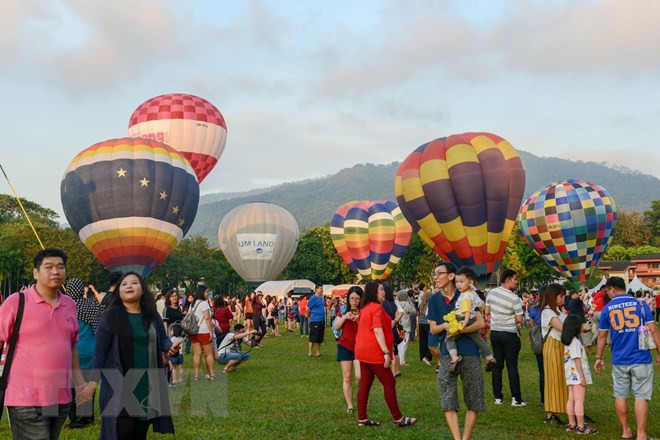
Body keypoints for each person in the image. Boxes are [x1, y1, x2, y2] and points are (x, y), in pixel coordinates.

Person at [0, 248, 87, 439]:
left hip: (61, 397)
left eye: (60, 267)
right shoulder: (16, 302)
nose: (55, 271)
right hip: (24, 397)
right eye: (49, 267)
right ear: (35, 272)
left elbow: (71, 346)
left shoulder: (70, 305)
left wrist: (80, 383)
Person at [81, 271, 178, 439]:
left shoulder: (152, 315)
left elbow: (162, 339)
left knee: (140, 432)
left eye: (134, 283)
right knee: (121, 432)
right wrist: (92, 382)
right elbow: (100, 352)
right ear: (118, 292)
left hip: (147, 384)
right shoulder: (110, 316)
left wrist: (170, 347)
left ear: (142, 290)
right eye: (124, 284)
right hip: (119, 386)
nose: (129, 286)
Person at [595, 276, 660, 440]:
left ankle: (626, 430)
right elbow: (653, 330)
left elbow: (602, 336)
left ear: (611, 289)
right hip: (641, 357)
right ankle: (641, 434)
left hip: (619, 358)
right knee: (641, 396)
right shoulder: (641, 304)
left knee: (620, 395)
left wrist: (599, 357)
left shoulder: (608, 308)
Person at [428, 262, 485, 440]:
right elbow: (432, 329)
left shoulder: (467, 293)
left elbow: (481, 323)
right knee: (448, 396)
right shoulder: (434, 299)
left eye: (439, 273)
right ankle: (456, 438)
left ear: (451, 276)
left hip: (470, 351)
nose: (435, 277)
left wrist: (460, 330)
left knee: (474, 397)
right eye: (434, 274)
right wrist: (445, 325)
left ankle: (465, 438)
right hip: (448, 354)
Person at [354, 281, 416, 427]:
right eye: (381, 289)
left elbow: (381, 325)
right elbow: (377, 330)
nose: (384, 292)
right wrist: (386, 352)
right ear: (373, 292)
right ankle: (398, 418)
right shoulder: (375, 308)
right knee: (389, 382)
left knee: (365, 384)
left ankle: (362, 418)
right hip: (374, 352)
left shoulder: (365, 308)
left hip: (363, 351)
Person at [63, 278, 103, 430]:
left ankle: (76, 418)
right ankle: (87, 416)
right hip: (89, 349)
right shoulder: (91, 305)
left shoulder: (65, 307)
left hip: (71, 350)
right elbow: (98, 329)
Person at [485, 268, 526, 407]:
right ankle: (516, 398)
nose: (516, 282)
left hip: (495, 332)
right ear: (508, 279)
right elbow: (520, 319)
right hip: (509, 334)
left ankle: (498, 397)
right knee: (512, 366)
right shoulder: (515, 298)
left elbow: (487, 311)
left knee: (498, 366)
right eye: (515, 279)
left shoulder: (491, 293)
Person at [446, 267, 496, 374]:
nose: (458, 284)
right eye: (457, 282)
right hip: (473, 319)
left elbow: (466, 311)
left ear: (470, 282)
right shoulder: (474, 293)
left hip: (462, 318)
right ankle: (489, 356)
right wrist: (483, 314)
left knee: (449, 338)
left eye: (461, 282)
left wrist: (463, 324)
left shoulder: (465, 296)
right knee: (478, 339)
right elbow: (481, 305)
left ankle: (454, 358)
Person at [561, 315, 597, 434]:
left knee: (571, 399)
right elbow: (577, 360)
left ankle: (572, 424)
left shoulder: (568, 341)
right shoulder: (575, 342)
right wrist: (582, 376)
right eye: (581, 324)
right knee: (579, 400)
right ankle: (581, 426)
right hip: (577, 375)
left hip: (570, 375)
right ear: (576, 327)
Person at [540, 283, 569, 426]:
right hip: (552, 346)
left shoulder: (558, 310)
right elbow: (563, 328)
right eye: (561, 296)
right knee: (553, 378)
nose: (563, 298)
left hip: (560, 346)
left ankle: (564, 409)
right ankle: (550, 414)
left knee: (561, 378)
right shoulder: (547, 311)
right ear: (554, 296)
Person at [334, 286, 363, 413]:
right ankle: (350, 405)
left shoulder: (364, 311)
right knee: (347, 377)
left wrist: (359, 319)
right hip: (345, 345)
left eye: (357, 299)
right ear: (348, 299)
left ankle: (363, 397)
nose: (354, 301)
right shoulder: (343, 310)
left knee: (360, 376)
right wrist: (345, 317)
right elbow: (336, 327)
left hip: (360, 347)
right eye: (352, 298)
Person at [190, 285, 216, 380]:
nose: (207, 294)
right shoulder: (204, 303)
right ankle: (212, 374)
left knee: (197, 354)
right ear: (202, 292)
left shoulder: (192, 304)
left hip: (193, 331)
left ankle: (196, 375)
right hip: (204, 331)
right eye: (206, 292)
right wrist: (210, 332)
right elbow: (207, 318)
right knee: (208, 354)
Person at [528, 287, 545, 407]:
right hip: (551, 341)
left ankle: (543, 398)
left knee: (542, 372)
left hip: (539, 341)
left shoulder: (534, 309)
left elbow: (532, 325)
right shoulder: (554, 310)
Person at [395, 289, 416, 367]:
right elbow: (413, 311)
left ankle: (398, 359)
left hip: (397, 325)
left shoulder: (396, 303)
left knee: (398, 343)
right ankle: (402, 361)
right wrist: (410, 302)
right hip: (405, 326)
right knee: (404, 344)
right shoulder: (407, 304)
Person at [307, 284, 326, 357]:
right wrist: (308, 317)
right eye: (321, 289)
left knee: (320, 337)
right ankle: (310, 353)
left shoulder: (321, 298)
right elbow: (308, 308)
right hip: (315, 320)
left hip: (321, 320)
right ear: (316, 289)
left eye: (322, 288)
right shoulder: (313, 298)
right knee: (313, 337)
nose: (322, 290)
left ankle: (318, 352)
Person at [417, 289, 433, 366]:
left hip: (421, 324)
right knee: (431, 341)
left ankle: (422, 356)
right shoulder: (432, 304)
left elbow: (419, 313)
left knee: (423, 341)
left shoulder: (421, 304)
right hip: (428, 324)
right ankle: (427, 356)